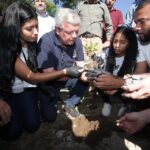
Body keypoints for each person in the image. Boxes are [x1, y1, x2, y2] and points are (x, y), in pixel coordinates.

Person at [0, 2, 83, 141]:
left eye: (36, 26)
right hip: (7, 91)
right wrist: (66, 71)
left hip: (26, 89)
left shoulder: (31, 43)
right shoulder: (5, 48)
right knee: (12, 134)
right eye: (30, 28)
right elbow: (32, 77)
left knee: (33, 125)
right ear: (15, 28)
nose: (36, 32)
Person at [37, 8, 88, 119]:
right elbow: (48, 74)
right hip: (49, 81)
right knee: (49, 118)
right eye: (69, 32)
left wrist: (88, 72)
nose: (74, 36)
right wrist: (69, 73)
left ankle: (70, 104)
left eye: (77, 32)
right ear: (57, 30)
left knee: (85, 80)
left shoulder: (77, 41)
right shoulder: (46, 41)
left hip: (68, 76)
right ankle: (48, 98)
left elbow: (80, 65)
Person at [117, 0, 150, 134]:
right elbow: (139, 72)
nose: (135, 27)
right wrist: (118, 82)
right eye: (135, 22)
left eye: (141, 21)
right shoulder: (142, 41)